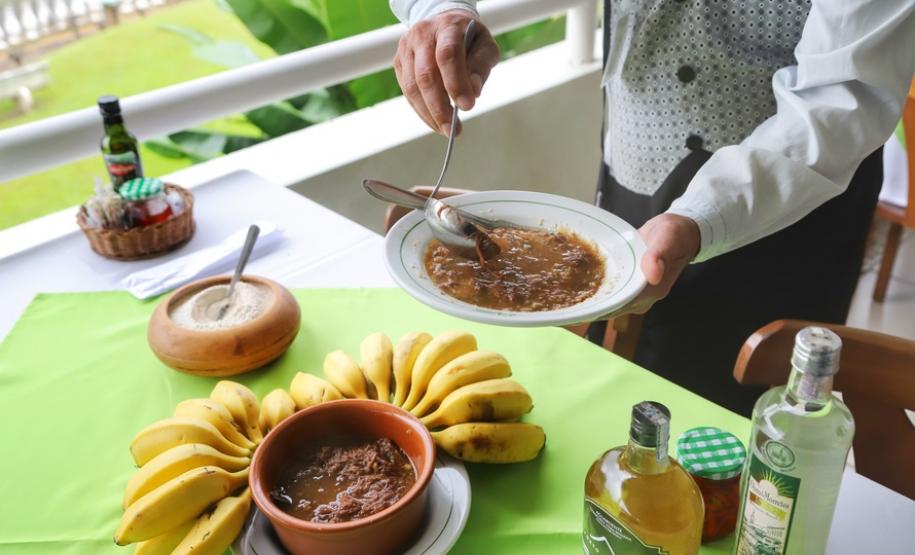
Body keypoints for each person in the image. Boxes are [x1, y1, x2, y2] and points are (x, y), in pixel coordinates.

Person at [389, 0, 915, 415]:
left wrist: (700, 215)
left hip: (793, 209)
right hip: (633, 165)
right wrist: (439, 10)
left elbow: (844, 94)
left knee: (735, 439)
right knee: (611, 399)